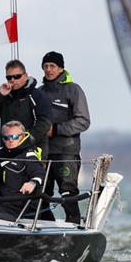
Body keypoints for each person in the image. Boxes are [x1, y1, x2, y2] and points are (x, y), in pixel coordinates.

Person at [38, 51, 90, 224]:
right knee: (40, 194)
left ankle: (74, 226)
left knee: (68, 192)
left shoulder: (73, 90)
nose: (48, 70)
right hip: (43, 153)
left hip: (66, 152)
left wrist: (56, 130)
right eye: (45, 66)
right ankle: (46, 228)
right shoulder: (39, 92)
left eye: (52, 66)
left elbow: (83, 121)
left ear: (61, 68)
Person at [0, 59, 52, 157]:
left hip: (33, 152)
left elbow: (45, 122)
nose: (13, 80)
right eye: (9, 77)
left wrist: (26, 140)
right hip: (8, 152)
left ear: (25, 76)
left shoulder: (36, 95)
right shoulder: (5, 96)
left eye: (17, 76)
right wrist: (0, 95)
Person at [0, 121, 47, 221]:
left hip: (17, 205)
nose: (10, 140)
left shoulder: (29, 155)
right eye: (6, 138)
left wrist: (32, 183)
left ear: (23, 136)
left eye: (15, 137)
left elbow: (39, 173)